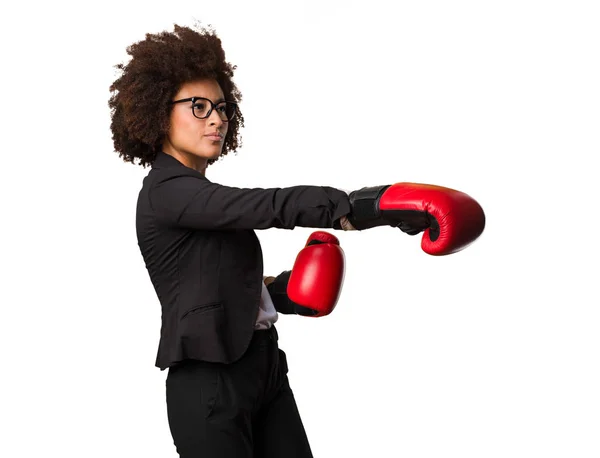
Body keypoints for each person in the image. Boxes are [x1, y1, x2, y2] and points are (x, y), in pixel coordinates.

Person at [108, 23, 485, 458]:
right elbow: (266, 205)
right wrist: (364, 207)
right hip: (210, 382)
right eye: (198, 106)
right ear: (158, 113)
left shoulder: (198, 200)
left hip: (262, 367)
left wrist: (283, 292)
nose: (216, 118)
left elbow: (211, 283)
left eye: (221, 106)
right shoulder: (167, 191)